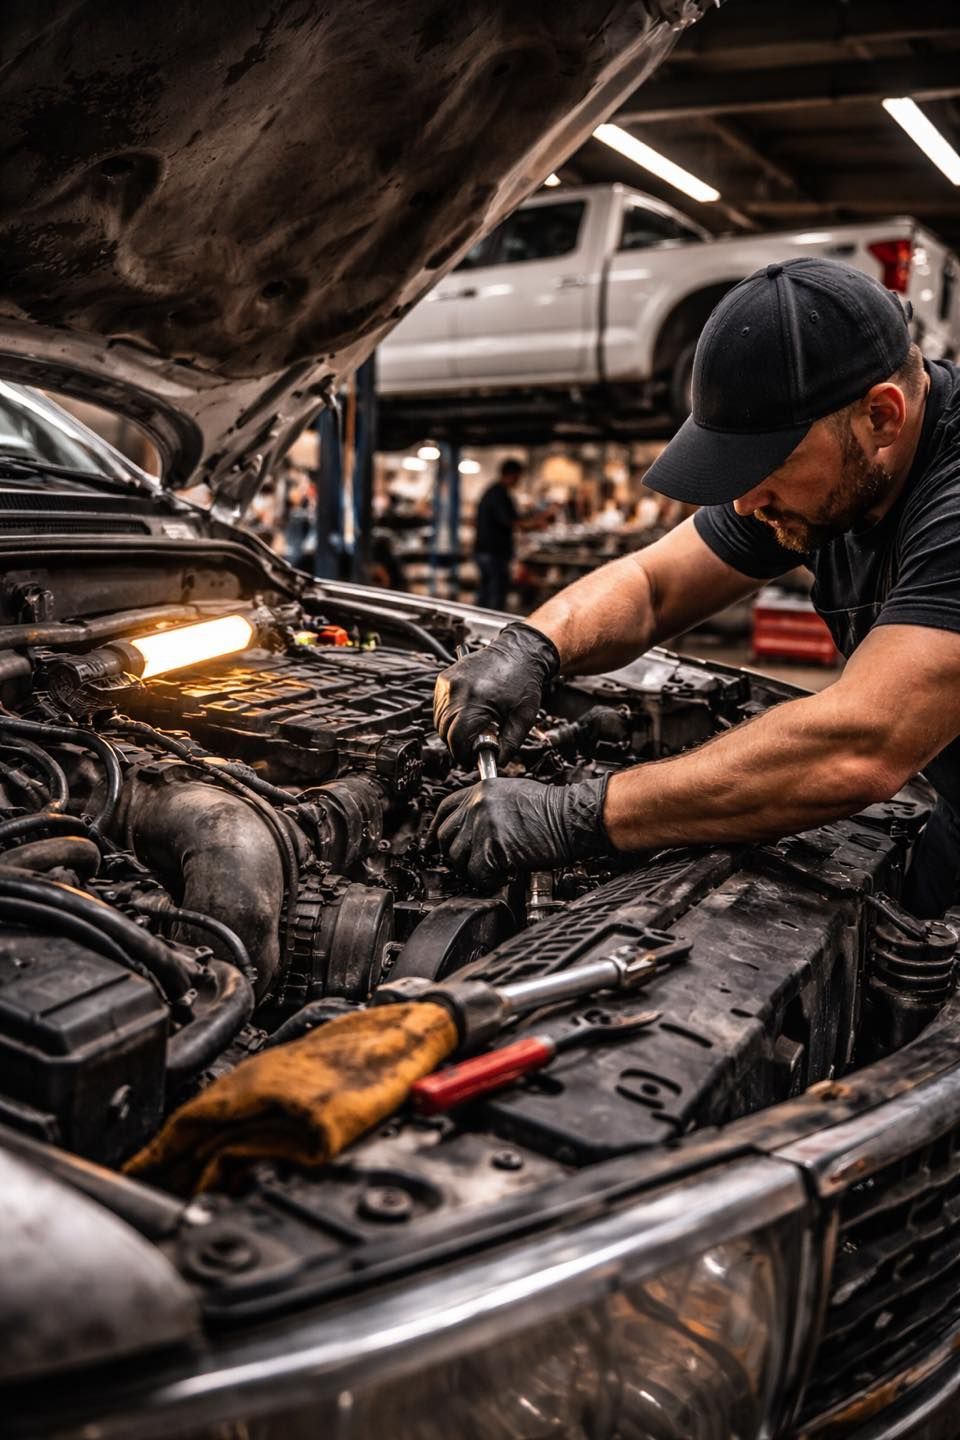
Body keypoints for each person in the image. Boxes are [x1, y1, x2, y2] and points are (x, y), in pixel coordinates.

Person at [432, 257, 960, 919]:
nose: (743, 503)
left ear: (881, 416)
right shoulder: (832, 470)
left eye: (767, 464)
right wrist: (532, 646)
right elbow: (653, 584)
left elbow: (865, 742)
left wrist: (578, 813)